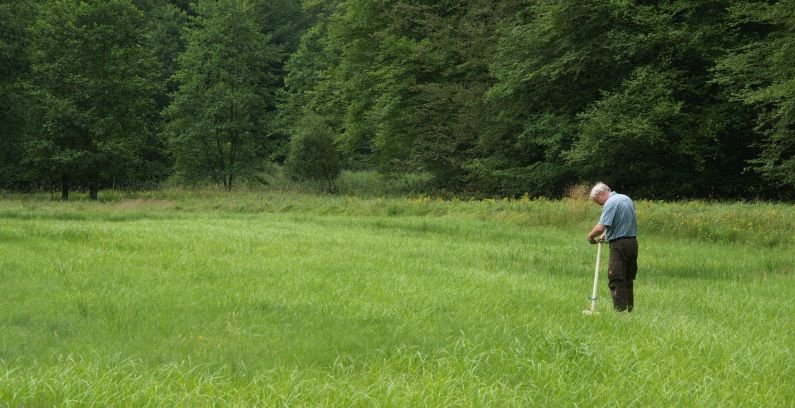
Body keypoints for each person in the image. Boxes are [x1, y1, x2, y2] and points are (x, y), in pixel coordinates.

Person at [586, 182, 638, 312]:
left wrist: (590, 237)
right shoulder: (626, 199)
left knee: (616, 277)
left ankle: (620, 312)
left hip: (619, 245)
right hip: (632, 243)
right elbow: (621, 223)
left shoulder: (610, 203)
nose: (599, 204)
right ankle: (629, 310)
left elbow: (601, 227)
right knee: (627, 278)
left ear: (601, 194)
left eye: (598, 201)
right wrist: (608, 235)